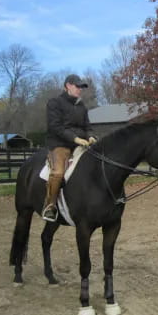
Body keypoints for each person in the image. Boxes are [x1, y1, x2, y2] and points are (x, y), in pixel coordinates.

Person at [42, 74, 97, 222]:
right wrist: (75, 138)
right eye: (77, 86)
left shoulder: (81, 106)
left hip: (81, 144)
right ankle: (50, 206)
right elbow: (55, 127)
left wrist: (90, 136)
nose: (80, 89)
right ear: (68, 86)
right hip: (60, 145)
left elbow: (87, 126)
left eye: (81, 87)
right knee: (58, 172)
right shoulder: (55, 103)